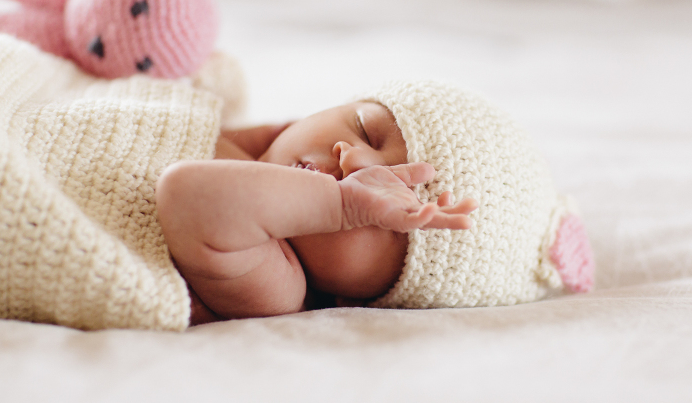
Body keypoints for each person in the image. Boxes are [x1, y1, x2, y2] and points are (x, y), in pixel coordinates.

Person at [157, 81, 595, 325]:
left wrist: (340, 204)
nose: (357, 163)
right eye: (365, 129)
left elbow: (188, 196)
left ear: (364, 297)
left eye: (379, 207)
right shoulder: (232, 130)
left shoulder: (276, 284)